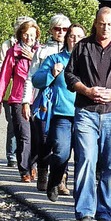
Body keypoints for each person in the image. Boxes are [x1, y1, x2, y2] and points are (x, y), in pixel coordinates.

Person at [64, 7, 111, 221]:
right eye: (102, 23)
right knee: (86, 160)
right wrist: (86, 90)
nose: (105, 28)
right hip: (86, 111)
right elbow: (69, 75)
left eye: (109, 24)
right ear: (95, 23)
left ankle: (105, 212)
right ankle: (85, 212)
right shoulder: (82, 47)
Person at [33, 23, 86, 201]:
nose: (75, 39)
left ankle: (80, 193)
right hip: (62, 115)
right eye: (72, 36)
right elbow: (36, 80)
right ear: (66, 38)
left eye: (79, 37)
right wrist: (52, 74)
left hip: (85, 114)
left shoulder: (89, 61)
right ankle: (54, 180)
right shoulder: (55, 59)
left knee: (83, 156)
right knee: (62, 152)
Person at [22, 14, 71, 191]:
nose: (61, 32)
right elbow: (31, 78)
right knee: (44, 141)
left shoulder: (73, 52)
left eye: (65, 29)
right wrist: (26, 101)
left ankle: (61, 178)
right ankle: (42, 169)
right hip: (44, 104)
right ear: (51, 30)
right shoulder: (42, 51)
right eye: (57, 29)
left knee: (63, 143)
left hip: (64, 104)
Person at [0, 19, 42, 182]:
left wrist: (34, 58)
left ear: (37, 35)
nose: (29, 38)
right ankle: (24, 170)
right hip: (18, 99)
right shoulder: (13, 53)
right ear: (20, 35)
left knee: (38, 136)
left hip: (38, 100)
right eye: (26, 34)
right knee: (24, 136)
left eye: (32, 34)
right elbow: (4, 78)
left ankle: (33, 165)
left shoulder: (41, 52)